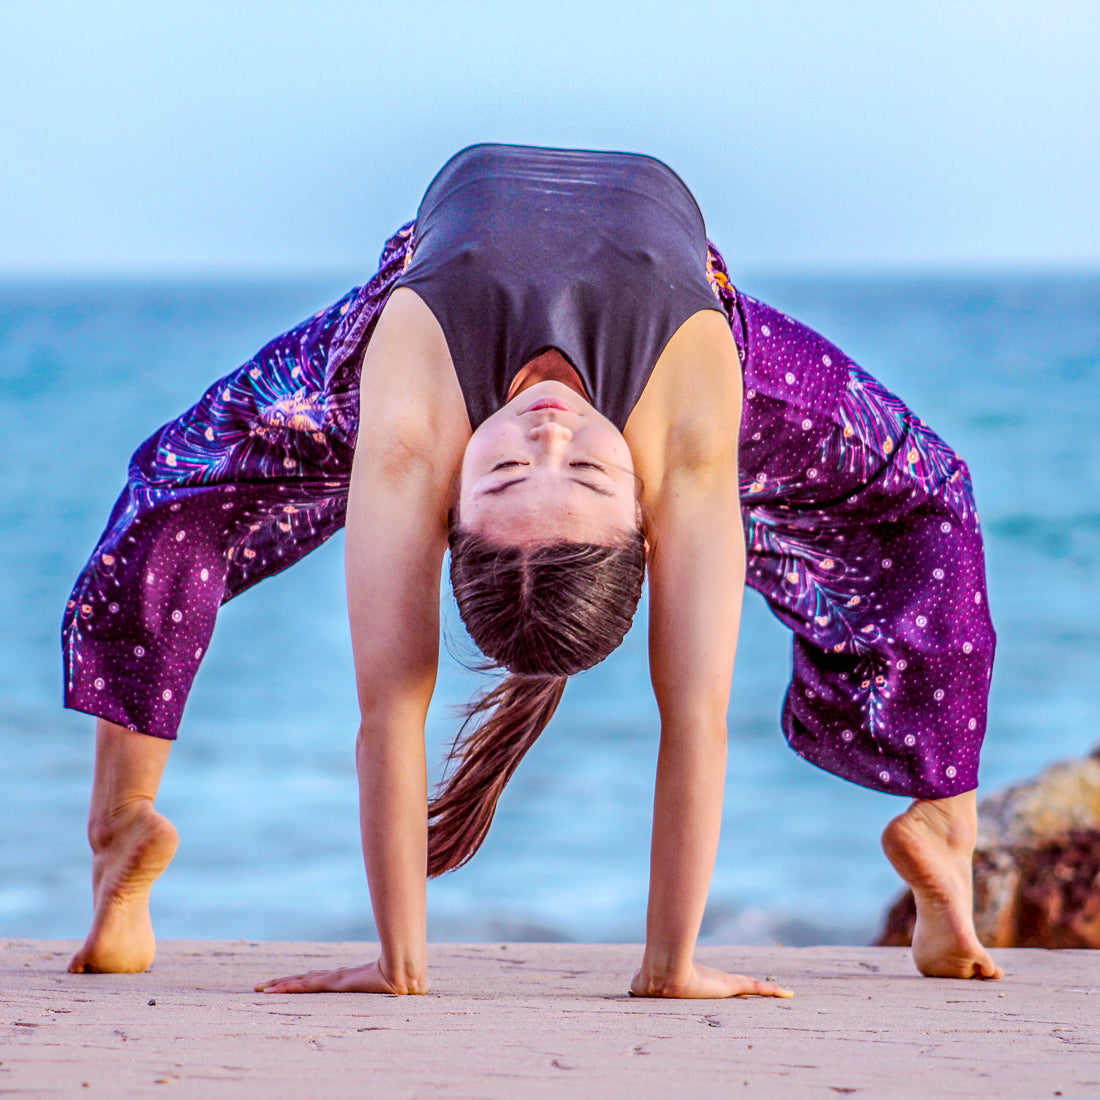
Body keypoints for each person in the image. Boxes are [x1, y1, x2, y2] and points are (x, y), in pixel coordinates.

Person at [62, 144, 1002, 997]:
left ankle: (119, 825)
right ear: (644, 512)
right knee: (930, 495)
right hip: (686, 318)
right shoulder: (687, 425)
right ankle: (126, 829)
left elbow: (681, 719)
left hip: (433, 298)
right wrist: (403, 965)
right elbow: (401, 712)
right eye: (582, 467)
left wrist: (664, 966)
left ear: (448, 505)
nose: (547, 434)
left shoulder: (410, 423)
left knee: (174, 485)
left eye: (510, 468)